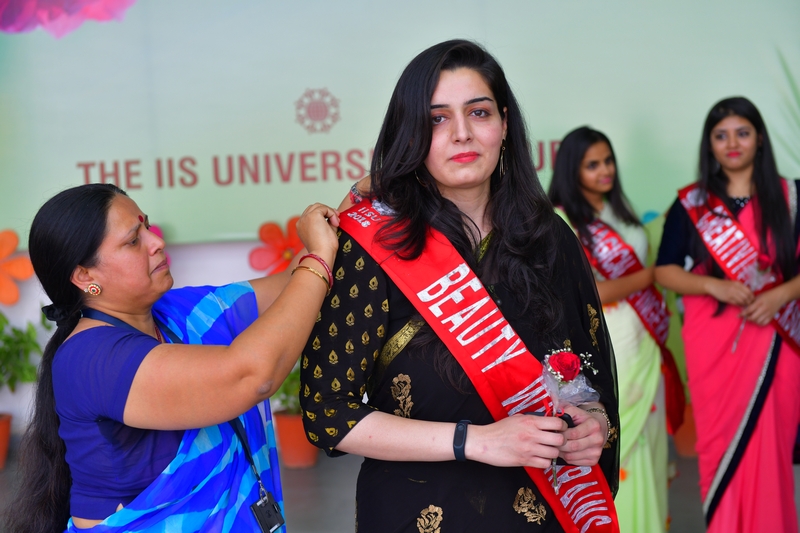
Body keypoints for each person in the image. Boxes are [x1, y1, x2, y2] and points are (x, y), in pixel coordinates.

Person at [300, 40, 620, 532]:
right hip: (417, 513)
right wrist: (478, 441)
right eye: (437, 118)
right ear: (410, 132)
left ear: (505, 124)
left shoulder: (549, 237)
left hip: (543, 510)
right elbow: (327, 414)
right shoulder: (372, 245)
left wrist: (592, 422)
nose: (462, 133)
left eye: (479, 112)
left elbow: (587, 370)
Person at [4, 183, 339, 533]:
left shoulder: (177, 312)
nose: (156, 241)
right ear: (85, 276)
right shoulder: (90, 359)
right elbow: (251, 376)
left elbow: (293, 285)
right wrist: (318, 257)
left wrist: (362, 197)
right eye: (133, 240)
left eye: (147, 226)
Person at [655, 96, 800, 533]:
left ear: (760, 138)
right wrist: (712, 285)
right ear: (710, 144)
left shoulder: (792, 197)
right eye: (721, 135)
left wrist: (780, 296)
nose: (732, 143)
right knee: (720, 447)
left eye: (742, 133)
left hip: (776, 343)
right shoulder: (692, 203)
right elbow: (664, 270)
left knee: (771, 448)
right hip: (713, 346)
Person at [549, 126, 671, 532]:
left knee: (649, 437)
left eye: (608, 161)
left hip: (643, 335)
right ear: (571, 169)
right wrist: (650, 276)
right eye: (592, 165)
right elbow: (590, 292)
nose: (605, 171)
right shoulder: (560, 220)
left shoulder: (621, 211)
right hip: (607, 337)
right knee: (618, 435)